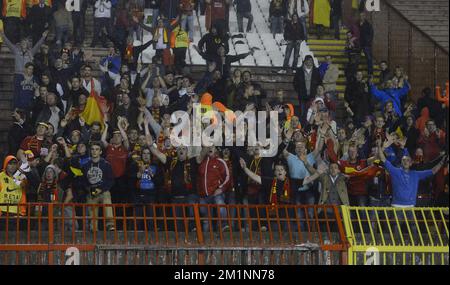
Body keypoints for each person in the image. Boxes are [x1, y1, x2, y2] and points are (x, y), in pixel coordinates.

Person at [82, 142, 115, 231]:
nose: (94, 151)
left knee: (106, 196)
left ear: (100, 152)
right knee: (91, 205)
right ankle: (93, 227)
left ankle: (110, 224)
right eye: (92, 149)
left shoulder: (106, 164)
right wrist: (89, 189)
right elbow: (83, 180)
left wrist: (100, 189)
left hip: (103, 191)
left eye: (97, 149)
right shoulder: (86, 165)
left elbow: (110, 180)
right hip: (91, 191)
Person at [196, 146, 230, 232]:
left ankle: (224, 225)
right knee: (206, 220)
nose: (210, 148)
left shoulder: (220, 161)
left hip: (216, 193)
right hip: (203, 195)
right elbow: (198, 179)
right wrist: (200, 192)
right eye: (208, 147)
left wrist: (221, 189)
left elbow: (227, 177)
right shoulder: (201, 162)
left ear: (215, 150)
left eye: (212, 147)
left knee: (220, 203)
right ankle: (206, 239)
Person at [293, 55, 322, 125]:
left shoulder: (316, 71)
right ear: (305, 61)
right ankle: (303, 127)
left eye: (311, 61)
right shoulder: (299, 71)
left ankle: (310, 127)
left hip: (312, 96)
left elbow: (319, 83)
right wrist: (299, 90)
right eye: (308, 61)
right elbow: (295, 82)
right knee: (302, 113)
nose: (310, 62)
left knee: (312, 112)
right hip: (302, 96)